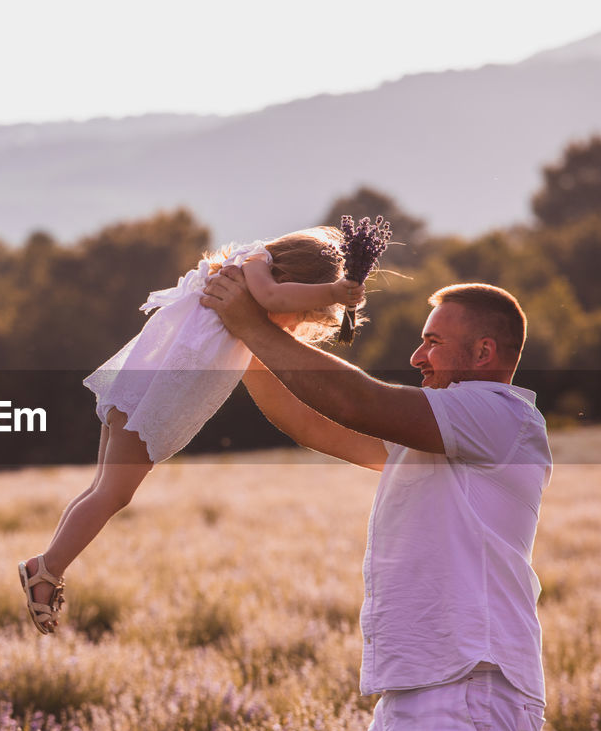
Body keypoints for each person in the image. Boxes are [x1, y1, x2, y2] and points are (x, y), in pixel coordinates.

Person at [200, 272, 552, 731]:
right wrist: (247, 346)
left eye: (433, 342)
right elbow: (313, 421)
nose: (417, 356)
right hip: (407, 692)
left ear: (485, 352)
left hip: (469, 691)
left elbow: (359, 401)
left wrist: (249, 322)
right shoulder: (438, 430)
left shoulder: (500, 416)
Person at [18, 229, 366, 634]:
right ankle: (45, 570)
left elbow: (275, 311)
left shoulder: (242, 291)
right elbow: (275, 299)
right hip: (151, 396)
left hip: (140, 389)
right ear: (295, 277)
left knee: (101, 489)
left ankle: (48, 566)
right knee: (114, 493)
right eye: (301, 316)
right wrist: (336, 293)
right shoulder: (254, 266)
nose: (293, 324)